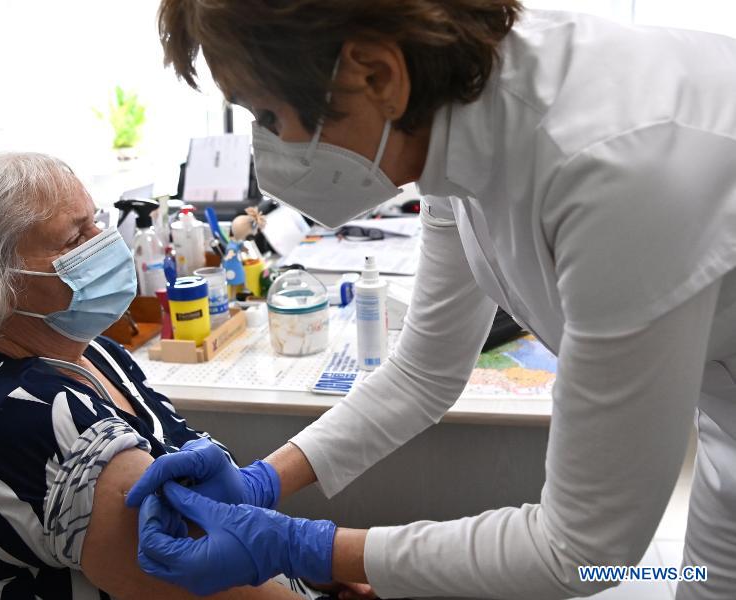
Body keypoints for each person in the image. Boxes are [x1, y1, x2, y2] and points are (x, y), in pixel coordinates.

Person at [126, 2, 736, 599]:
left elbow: (581, 552)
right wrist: (263, 480)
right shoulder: (448, 124)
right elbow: (424, 373)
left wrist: (300, 546)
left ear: (376, 75)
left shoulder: (619, 164)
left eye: (266, 114)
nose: (267, 148)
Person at [0, 148, 332, 600]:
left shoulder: (95, 354)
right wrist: (323, 557)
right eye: (73, 238)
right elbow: (213, 591)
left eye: (94, 221)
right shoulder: (34, 419)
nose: (103, 242)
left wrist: (306, 560)